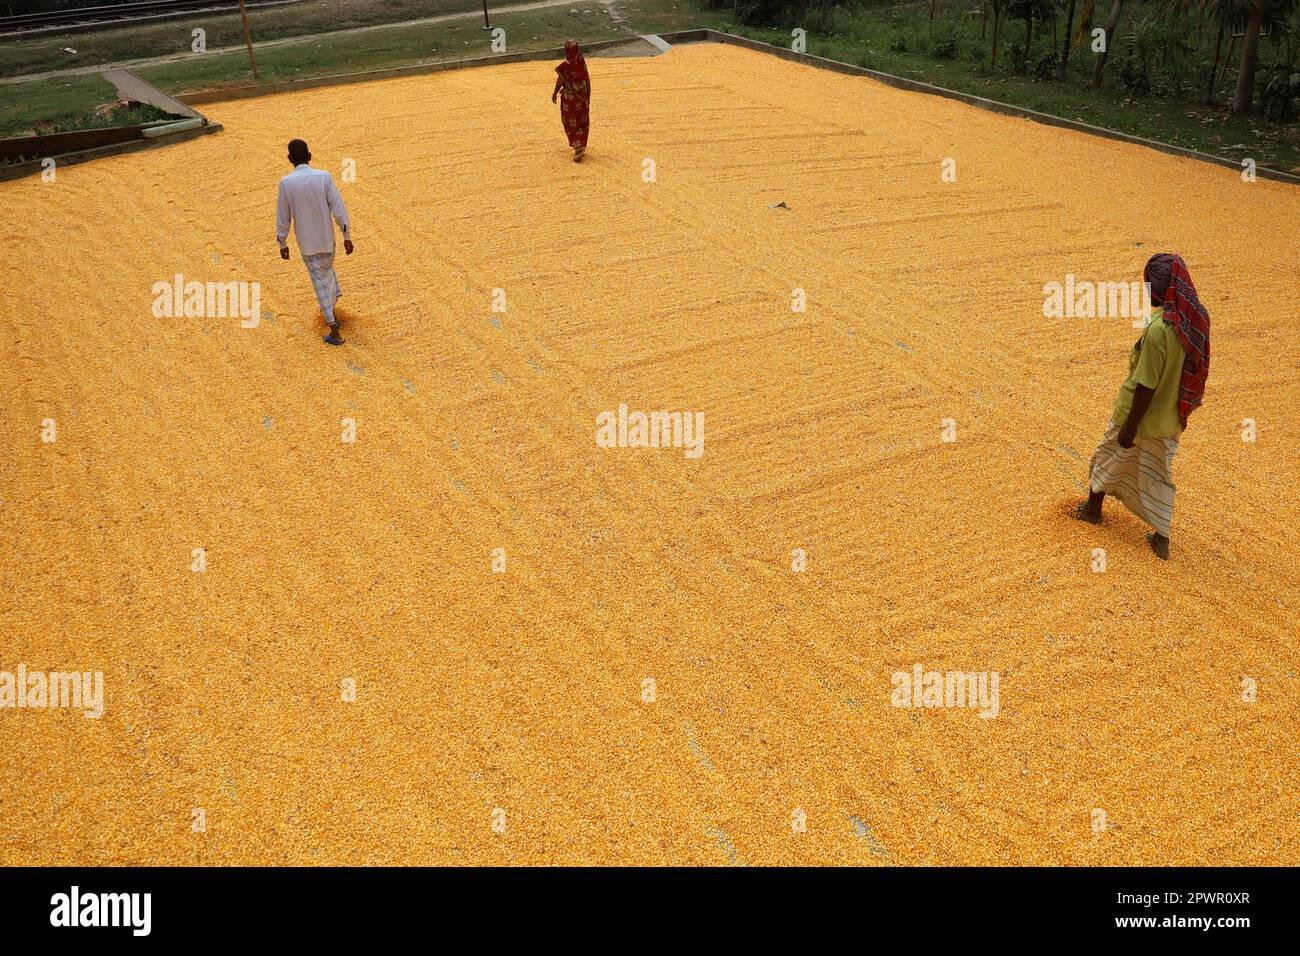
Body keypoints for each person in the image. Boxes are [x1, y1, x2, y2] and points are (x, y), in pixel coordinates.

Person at [1074, 254, 1210, 559]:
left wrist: (1130, 427)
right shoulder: (1196, 318)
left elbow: (1145, 384)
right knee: (1157, 473)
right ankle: (1161, 537)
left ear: (1163, 290)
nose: (1146, 293)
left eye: (1148, 287)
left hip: (1138, 416)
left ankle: (1091, 510)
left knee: (1107, 456)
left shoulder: (1160, 330)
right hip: (1169, 420)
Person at [276, 139, 354, 346]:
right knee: (327, 272)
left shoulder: (286, 183)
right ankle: (333, 306)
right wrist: (346, 236)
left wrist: (282, 242)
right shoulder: (324, 177)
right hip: (328, 239)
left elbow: (283, 216)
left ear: (290, 159)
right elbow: (338, 208)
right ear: (309, 156)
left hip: (307, 243)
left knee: (319, 279)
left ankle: (333, 329)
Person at [552, 40, 590, 162]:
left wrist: (554, 93)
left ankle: (577, 146)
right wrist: (588, 96)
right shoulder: (582, 63)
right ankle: (582, 144)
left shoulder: (566, 66)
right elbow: (587, 80)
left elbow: (560, 81)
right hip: (582, 97)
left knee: (569, 121)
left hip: (570, 100)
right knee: (582, 120)